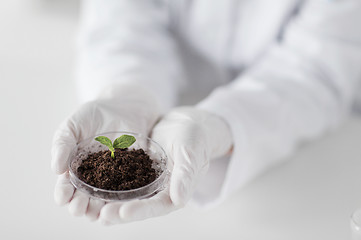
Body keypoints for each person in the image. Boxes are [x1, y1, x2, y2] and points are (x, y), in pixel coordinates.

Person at [51, 0, 361, 225]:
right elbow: (121, 25)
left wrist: (223, 123)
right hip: (180, 81)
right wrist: (126, 91)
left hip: (308, 149)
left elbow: (316, 69)